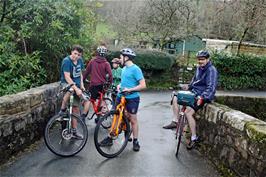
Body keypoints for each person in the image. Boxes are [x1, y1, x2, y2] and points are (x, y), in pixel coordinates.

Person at [163, 50, 218, 150]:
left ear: (208, 59)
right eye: (199, 59)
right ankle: (175, 121)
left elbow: (211, 87)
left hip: (202, 95)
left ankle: (193, 138)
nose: (200, 61)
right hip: (193, 92)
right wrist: (188, 86)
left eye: (202, 59)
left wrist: (203, 97)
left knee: (188, 112)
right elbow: (194, 82)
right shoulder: (198, 68)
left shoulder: (211, 70)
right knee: (175, 96)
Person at [100, 48, 146, 152]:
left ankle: (135, 141)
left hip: (132, 98)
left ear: (126, 57)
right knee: (116, 116)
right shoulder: (124, 69)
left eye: (121, 57)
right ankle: (110, 137)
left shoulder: (136, 69)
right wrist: (119, 86)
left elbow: (143, 85)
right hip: (121, 96)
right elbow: (124, 82)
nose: (120, 59)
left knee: (133, 119)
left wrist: (130, 89)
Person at [59, 45, 89, 139]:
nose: (76, 56)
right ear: (71, 52)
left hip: (77, 85)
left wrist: (82, 85)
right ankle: (62, 110)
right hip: (66, 83)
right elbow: (67, 77)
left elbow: (80, 74)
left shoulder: (79, 61)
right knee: (71, 89)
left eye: (78, 55)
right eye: (75, 53)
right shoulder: (66, 61)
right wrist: (76, 89)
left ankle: (74, 131)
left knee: (76, 108)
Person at [82, 44, 113, 121]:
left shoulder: (92, 61)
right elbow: (110, 76)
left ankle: (83, 116)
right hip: (102, 86)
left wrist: (82, 80)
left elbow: (86, 72)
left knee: (89, 99)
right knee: (101, 99)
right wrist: (108, 84)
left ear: (97, 53)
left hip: (94, 85)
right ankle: (99, 117)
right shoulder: (106, 63)